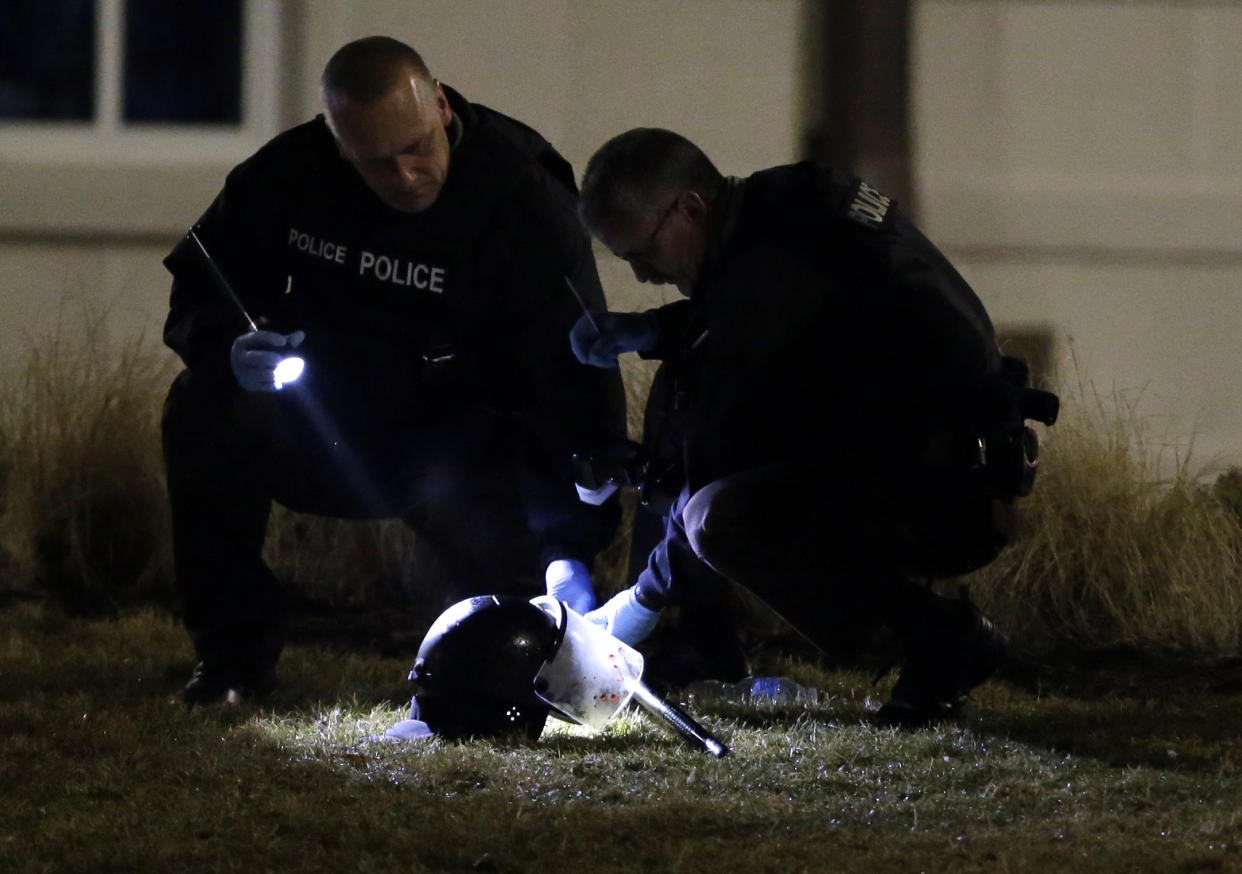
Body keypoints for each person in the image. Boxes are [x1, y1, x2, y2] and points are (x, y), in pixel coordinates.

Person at [161, 36, 626, 705]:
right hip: (320, 419)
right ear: (338, 141)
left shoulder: (519, 194)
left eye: (416, 148)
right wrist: (231, 347)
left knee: (507, 642)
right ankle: (230, 659)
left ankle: (496, 664)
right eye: (376, 163)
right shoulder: (289, 173)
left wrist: (573, 541)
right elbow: (202, 286)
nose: (406, 176)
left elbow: (575, 369)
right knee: (201, 408)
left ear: (440, 106)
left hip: (459, 440)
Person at [570, 128, 1057, 727]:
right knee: (695, 431)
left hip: (946, 494)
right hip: (941, 463)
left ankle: (940, 640)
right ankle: (713, 636)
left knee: (716, 520)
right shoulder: (785, 207)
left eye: (640, 253)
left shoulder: (778, 259)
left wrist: (642, 599)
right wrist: (650, 330)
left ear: (689, 209)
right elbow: (749, 310)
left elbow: (716, 453)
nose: (643, 274)